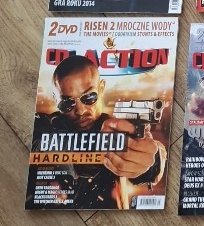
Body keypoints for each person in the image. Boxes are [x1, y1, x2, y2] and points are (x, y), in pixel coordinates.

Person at [31, 55, 165, 209]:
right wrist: (100, 146)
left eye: (89, 97)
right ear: (56, 99)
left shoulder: (118, 128)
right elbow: (42, 146)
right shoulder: (45, 124)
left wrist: (151, 159)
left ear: (101, 89)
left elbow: (150, 167)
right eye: (67, 103)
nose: (80, 111)